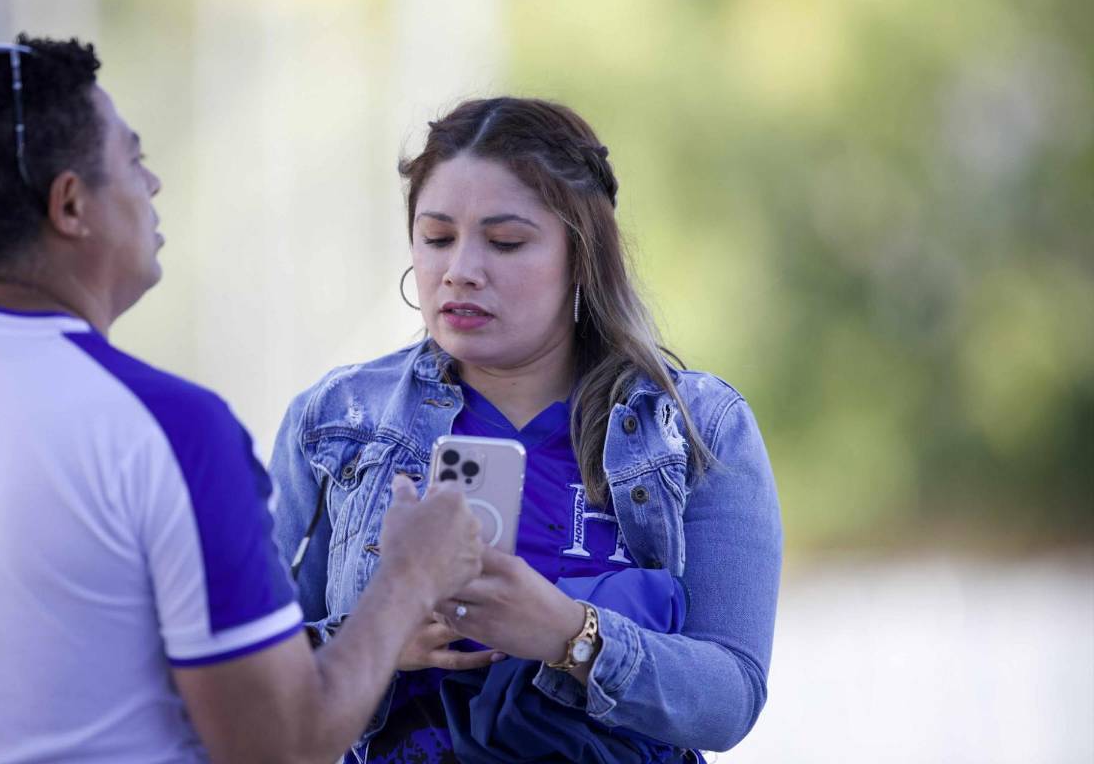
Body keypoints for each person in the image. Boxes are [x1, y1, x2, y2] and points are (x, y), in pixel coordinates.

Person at [0, 34, 485, 764]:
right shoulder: (172, 430)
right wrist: (408, 578)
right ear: (71, 204)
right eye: (134, 160)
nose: (153, 186)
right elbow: (282, 744)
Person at [270, 96, 783, 763]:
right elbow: (251, 686)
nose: (460, 270)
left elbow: (729, 700)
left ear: (582, 256)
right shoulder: (336, 422)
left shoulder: (696, 427)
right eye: (437, 237)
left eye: (505, 241)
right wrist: (378, 637)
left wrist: (568, 633)